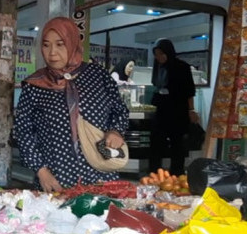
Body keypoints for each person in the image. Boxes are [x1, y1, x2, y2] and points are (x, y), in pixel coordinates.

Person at [14, 17, 129, 192]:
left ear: (72, 43)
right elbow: (23, 132)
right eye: (46, 45)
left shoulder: (98, 76)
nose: (52, 53)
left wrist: (115, 131)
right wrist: (41, 171)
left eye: (60, 44)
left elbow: (119, 110)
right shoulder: (34, 85)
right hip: (56, 179)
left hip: (100, 176)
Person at [149, 38, 199, 176]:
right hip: (162, 109)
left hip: (178, 110)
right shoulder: (158, 67)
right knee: (156, 141)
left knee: (178, 143)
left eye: (161, 53)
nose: (159, 57)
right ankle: (154, 173)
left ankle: (177, 173)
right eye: (156, 54)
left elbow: (189, 91)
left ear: (168, 52)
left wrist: (191, 110)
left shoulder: (181, 67)